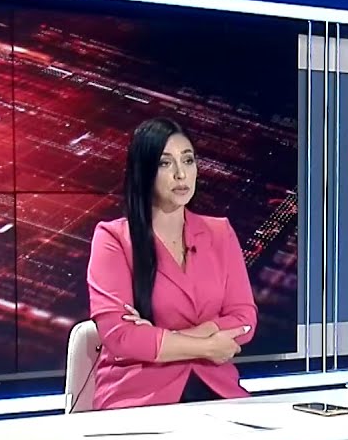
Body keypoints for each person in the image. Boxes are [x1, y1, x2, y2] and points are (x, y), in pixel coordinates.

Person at [84, 117, 256, 410]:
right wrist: (207, 347)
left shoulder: (220, 233)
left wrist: (160, 337)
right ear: (144, 171)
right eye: (165, 163)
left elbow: (244, 318)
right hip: (139, 395)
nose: (181, 174)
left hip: (216, 388)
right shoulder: (114, 238)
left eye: (188, 160)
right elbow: (120, 336)